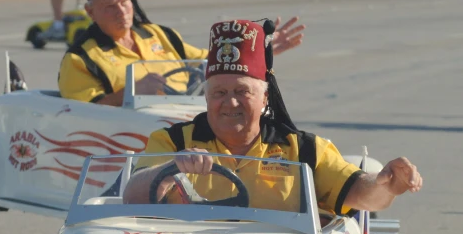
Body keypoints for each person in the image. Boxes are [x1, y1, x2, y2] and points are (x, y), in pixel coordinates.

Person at [123, 19, 422, 215]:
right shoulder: (172, 142)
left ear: (265, 97)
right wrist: (171, 168)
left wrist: (388, 185)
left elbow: (361, 196)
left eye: (242, 91)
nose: (230, 102)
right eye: (219, 93)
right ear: (206, 97)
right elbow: (133, 197)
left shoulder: (301, 150)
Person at [57, 0, 305, 106]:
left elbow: (210, 61)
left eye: (124, 1)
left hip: (187, 118)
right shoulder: (81, 59)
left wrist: (259, 50)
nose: (121, 11)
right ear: (90, 11)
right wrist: (129, 93)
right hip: (129, 138)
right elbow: (80, 113)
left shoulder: (158, 34)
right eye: (109, 6)